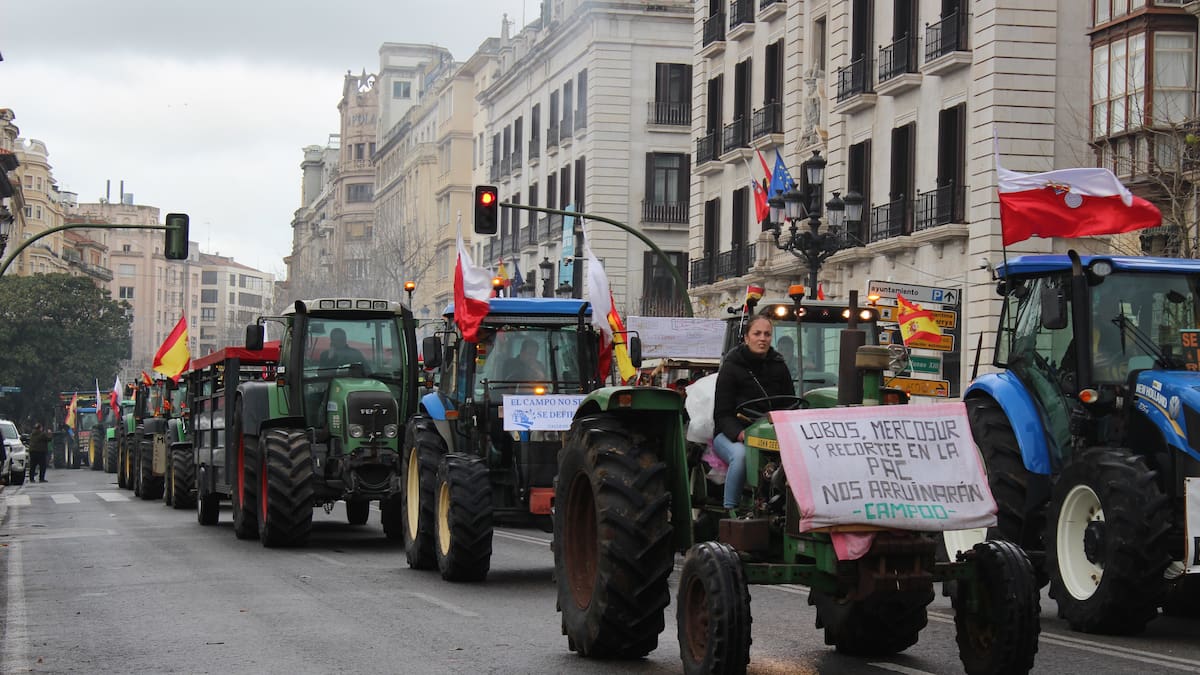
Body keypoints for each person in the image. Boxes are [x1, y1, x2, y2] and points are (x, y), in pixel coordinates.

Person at [712, 314, 795, 514]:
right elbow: (722, 414)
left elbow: (790, 402)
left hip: (770, 434)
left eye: (767, 334)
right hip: (733, 434)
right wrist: (741, 435)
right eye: (757, 333)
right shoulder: (731, 366)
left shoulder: (779, 365)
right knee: (740, 457)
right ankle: (730, 510)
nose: (762, 338)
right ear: (746, 337)